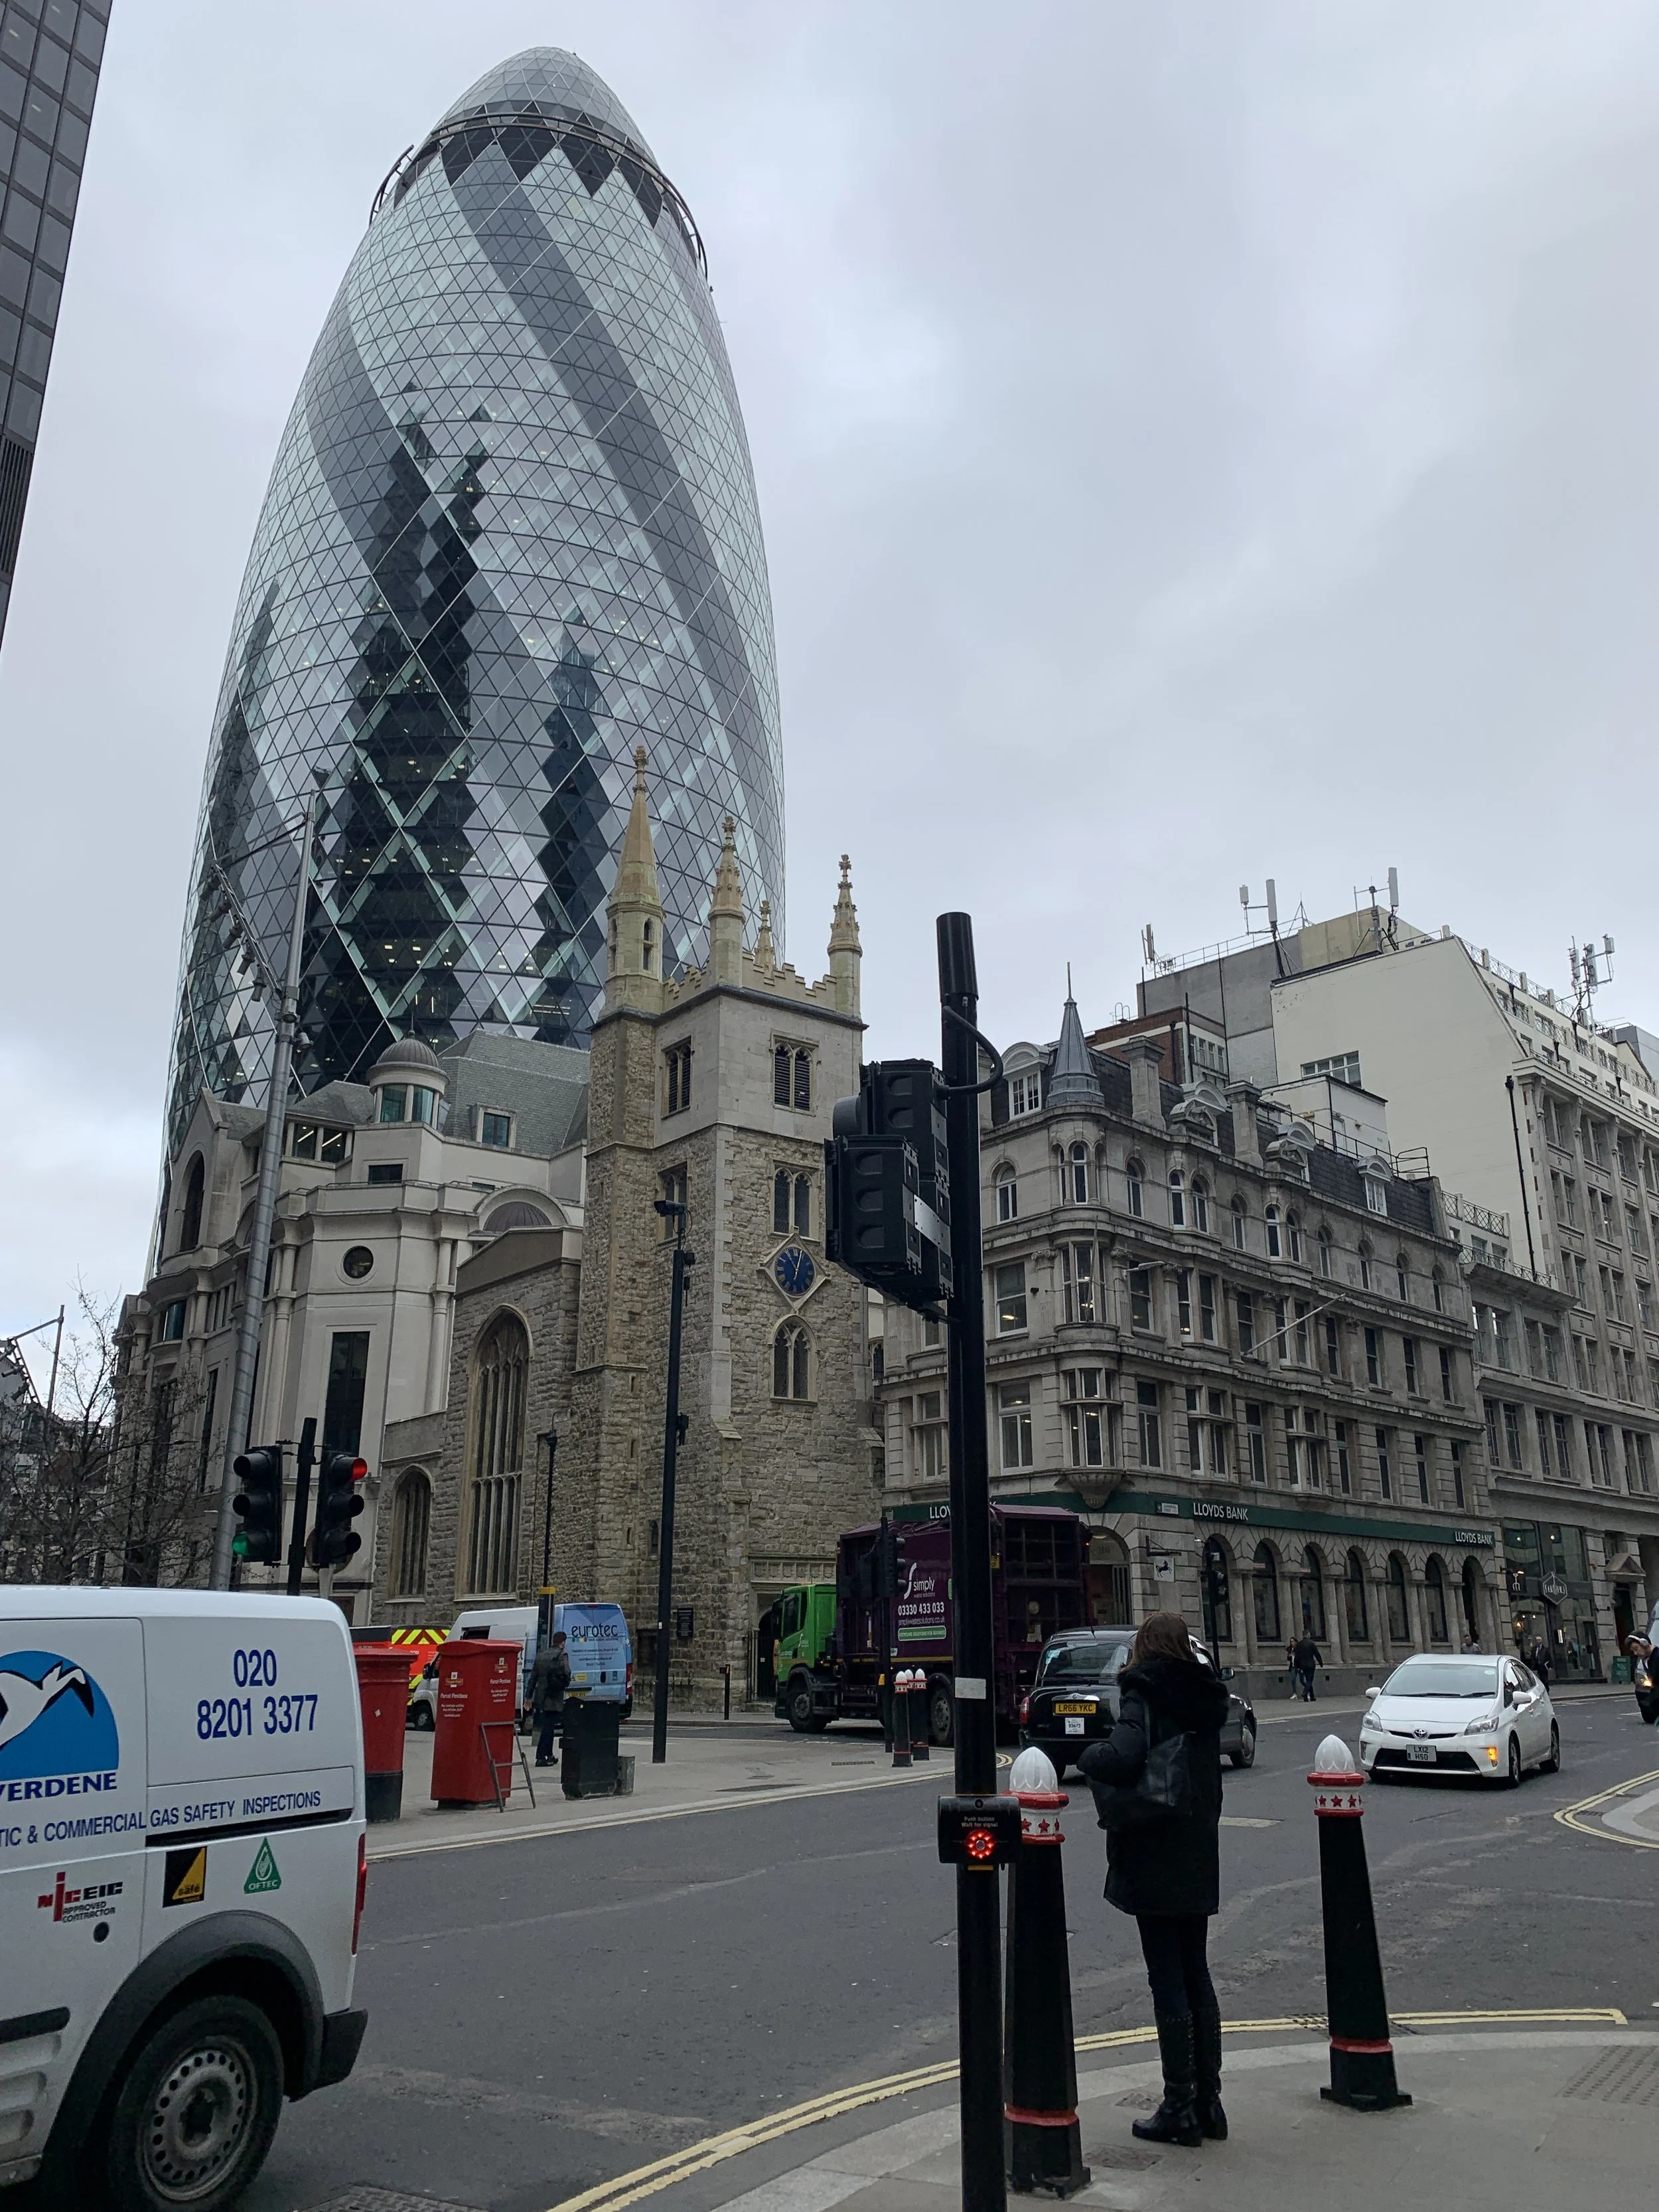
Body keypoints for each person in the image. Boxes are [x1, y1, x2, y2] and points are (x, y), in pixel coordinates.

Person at [1078, 1611, 1232, 2148]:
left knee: (1166, 1976)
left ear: (1144, 1647)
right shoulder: (1207, 1698)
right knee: (1196, 1972)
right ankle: (1210, 2101)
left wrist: (1088, 1754)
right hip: (1197, 1847)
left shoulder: (1143, 1692)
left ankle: (1178, 2104)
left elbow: (1122, 1756)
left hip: (1155, 1847)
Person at [531, 1631, 572, 1766]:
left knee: (548, 1724)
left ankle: (549, 1755)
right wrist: (565, 1683)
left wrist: (527, 1696)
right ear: (563, 1643)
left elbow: (533, 1678)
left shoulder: (541, 1656)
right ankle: (541, 1756)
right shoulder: (562, 1656)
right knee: (548, 1727)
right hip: (554, 1694)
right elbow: (567, 1672)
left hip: (541, 1695)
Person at [1291, 1632, 1322, 1702]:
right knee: (1309, 1680)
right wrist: (1320, 1663)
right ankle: (1305, 1693)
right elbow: (1317, 1654)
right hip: (1310, 1664)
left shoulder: (1299, 1644)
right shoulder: (1311, 1643)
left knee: (1308, 1680)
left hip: (1302, 1665)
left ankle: (1312, 1697)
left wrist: (1297, 1666)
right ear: (1308, 1635)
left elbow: (1296, 1657)